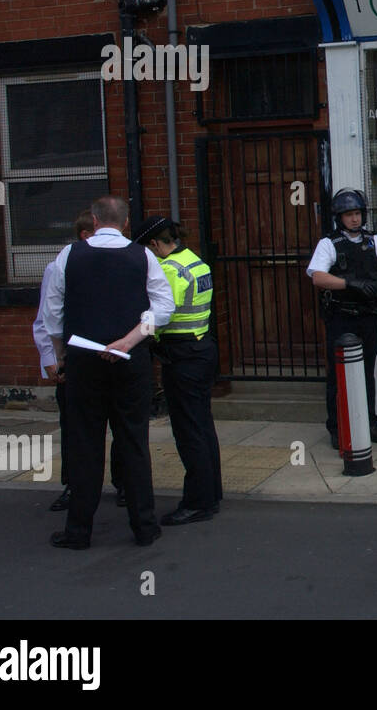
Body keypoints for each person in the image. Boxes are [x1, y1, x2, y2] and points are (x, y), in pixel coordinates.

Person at [42, 196, 174, 549]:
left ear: (95, 221)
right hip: (131, 361)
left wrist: (60, 354)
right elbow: (164, 307)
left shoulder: (69, 255)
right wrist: (129, 341)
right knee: (133, 440)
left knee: (85, 442)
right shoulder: (143, 256)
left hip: (84, 360)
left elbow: (52, 312)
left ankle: (78, 532)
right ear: (127, 223)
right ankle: (144, 526)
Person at [131, 216, 222, 526]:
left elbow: (161, 314)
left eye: (148, 249)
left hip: (181, 355)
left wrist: (140, 337)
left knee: (188, 431)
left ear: (155, 244)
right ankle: (212, 493)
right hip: (202, 348)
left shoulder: (168, 270)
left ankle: (198, 502)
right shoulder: (194, 261)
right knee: (203, 425)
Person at [307, 188, 377, 449]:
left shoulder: (374, 241)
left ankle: (370, 423)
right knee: (338, 376)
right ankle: (337, 428)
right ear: (340, 217)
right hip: (341, 318)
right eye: (349, 215)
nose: (354, 219)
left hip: (368, 317)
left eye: (357, 213)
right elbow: (317, 276)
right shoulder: (329, 243)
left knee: (366, 372)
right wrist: (350, 284)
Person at [33, 210, 96, 512]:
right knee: (73, 427)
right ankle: (74, 486)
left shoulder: (120, 263)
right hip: (72, 360)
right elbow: (46, 316)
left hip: (110, 359)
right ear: (85, 236)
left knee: (121, 428)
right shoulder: (58, 267)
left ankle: (124, 485)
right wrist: (51, 358)